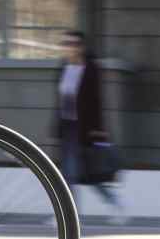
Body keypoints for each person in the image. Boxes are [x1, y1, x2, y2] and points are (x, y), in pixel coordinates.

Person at [53, 30, 129, 226]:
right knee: (67, 176)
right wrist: (56, 127)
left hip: (85, 130)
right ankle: (69, 217)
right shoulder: (64, 68)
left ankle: (116, 205)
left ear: (81, 47)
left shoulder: (91, 69)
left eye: (74, 44)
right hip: (67, 128)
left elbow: (96, 102)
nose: (69, 47)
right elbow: (60, 101)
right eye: (66, 44)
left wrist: (97, 130)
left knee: (91, 178)